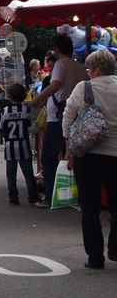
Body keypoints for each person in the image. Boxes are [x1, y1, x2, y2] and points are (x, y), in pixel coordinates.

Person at [62, 49, 117, 269]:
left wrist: (69, 147)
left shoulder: (83, 88)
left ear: (95, 69)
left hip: (87, 156)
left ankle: (95, 257)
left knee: (90, 208)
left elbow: (68, 118)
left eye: (88, 68)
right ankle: (115, 248)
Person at [29, 33, 86, 207]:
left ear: (57, 49)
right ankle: (77, 195)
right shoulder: (79, 67)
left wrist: (36, 100)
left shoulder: (61, 64)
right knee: (73, 156)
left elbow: (55, 86)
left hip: (58, 119)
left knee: (48, 157)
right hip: (76, 117)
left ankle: (51, 196)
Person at [0, 82, 42, 206]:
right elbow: (28, 123)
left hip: (9, 147)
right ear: (24, 96)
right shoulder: (25, 110)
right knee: (28, 174)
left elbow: (1, 127)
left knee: (11, 175)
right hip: (24, 146)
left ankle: (13, 197)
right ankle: (33, 196)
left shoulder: (5, 111)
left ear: (9, 96)